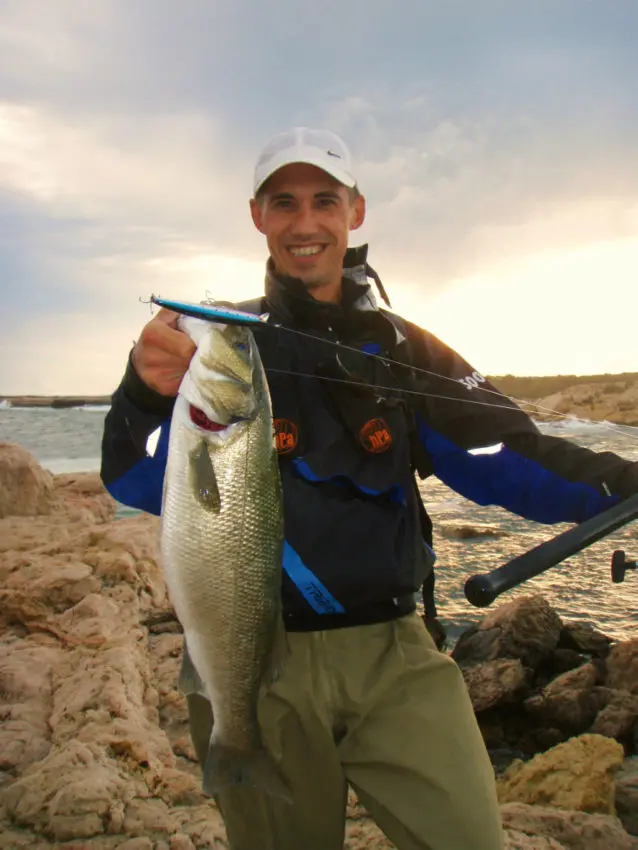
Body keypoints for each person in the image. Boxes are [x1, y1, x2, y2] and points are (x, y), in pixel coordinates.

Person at [101, 127, 638, 850]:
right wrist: (140, 393)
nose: (304, 222)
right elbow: (138, 480)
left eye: (325, 199)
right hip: (255, 656)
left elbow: (510, 457)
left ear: (356, 210)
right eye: (283, 202)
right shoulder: (222, 342)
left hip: (397, 655)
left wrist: (626, 484)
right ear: (257, 215)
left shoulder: (406, 349)